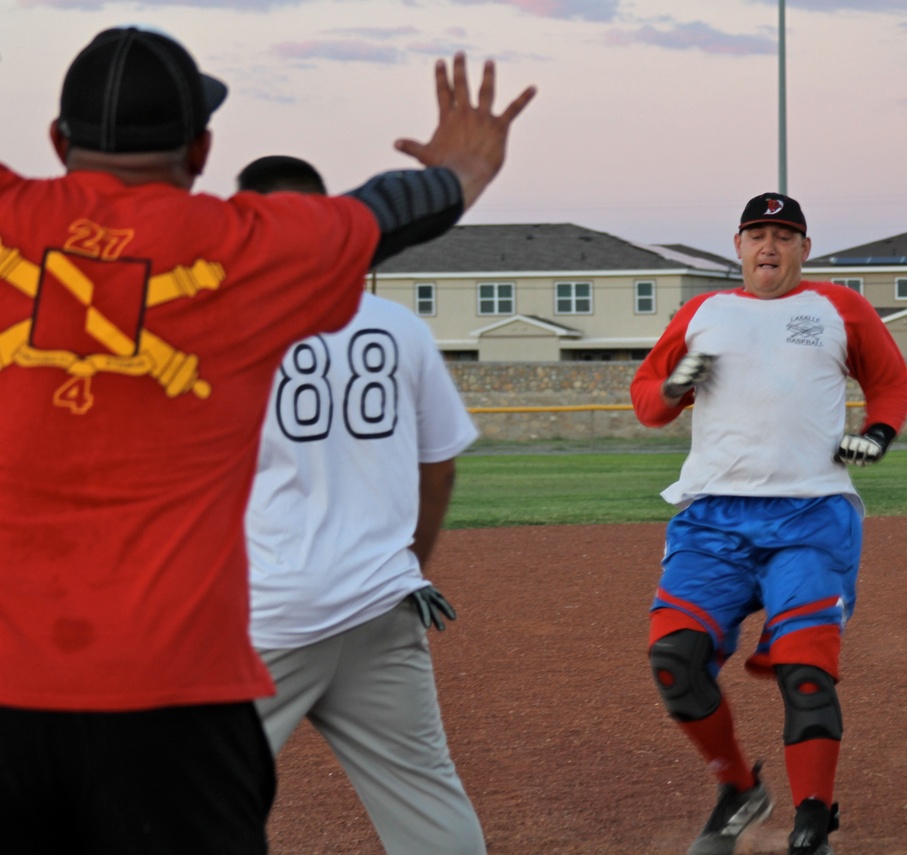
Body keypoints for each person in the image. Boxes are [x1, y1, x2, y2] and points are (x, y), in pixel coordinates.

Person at [0, 25, 533, 855]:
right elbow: (381, 213)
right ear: (202, 147)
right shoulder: (246, 251)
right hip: (179, 695)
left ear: (57, 141)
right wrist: (460, 168)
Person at [630, 193, 907, 855]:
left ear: (804, 249)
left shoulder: (839, 307)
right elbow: (649, 401)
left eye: (784, 235)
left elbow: (891, 381)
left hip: (812, 514)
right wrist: (675, 386)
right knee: (675, 660)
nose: (770, 246)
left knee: (805, 670)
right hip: (712, 518)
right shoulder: (705, 312)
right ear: (737, 245)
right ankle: (737, 789)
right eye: (758, 233)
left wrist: (876, 433)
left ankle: (813, 821)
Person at [238, 154, 485, 855]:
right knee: (426, 798)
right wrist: (403, 563)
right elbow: (438, 468)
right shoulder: (396, 325)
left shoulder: (227, 328)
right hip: (382, 600)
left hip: (269, 616)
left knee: (186, 797)